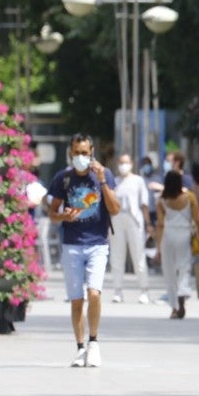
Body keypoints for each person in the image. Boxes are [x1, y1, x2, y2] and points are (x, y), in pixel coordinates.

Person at [48, 134, 120, 368]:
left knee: (94, 293)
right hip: (72, 244)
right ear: (70, 153)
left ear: (92, 152)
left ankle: (94, 342)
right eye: (76, 153)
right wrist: (63, 215)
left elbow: (115, 209)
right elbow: (53, 213)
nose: (81, 157)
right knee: (77, 300)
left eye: (85, 152)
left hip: (97, 243)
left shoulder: (104, 174)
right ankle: (80, 348)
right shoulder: (63, 178)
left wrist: (102, 182)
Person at [154, 169, 199, 319]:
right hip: (184, 234)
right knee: (184, 267)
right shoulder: (190, 197)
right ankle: (183, 291)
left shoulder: (162, 200)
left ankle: (174, 307)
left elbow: (160, 224)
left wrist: (157, 248)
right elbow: (197, 220)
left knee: (169, 270)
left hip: (168, 235)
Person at [109, 154, 151, 304]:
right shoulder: (114, 181)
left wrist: (148, 223)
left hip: (134, 219)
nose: (123, 165)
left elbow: (144, 203)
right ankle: (117, 290)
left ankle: (143, 289)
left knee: (138, 254)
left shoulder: (138, 181)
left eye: (126, 162)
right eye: (120, 162)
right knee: (117, 255)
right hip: (117, 219)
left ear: (131, 164)